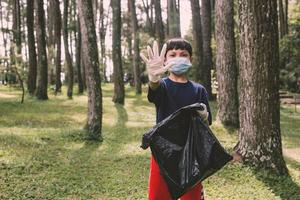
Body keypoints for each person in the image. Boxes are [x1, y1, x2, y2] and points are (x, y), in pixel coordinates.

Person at [140, 38, 212, 200]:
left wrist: (204, 117)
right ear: (165, 60)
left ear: (190, 59)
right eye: (172, 54)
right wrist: (153, 79)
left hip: (191, 152)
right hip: (163, 151)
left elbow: (207, 124)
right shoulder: (163, 86)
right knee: (159, 195)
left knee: (191, 196)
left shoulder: (199, 90)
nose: (178, 57)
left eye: (183, 54)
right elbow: (154, 92)